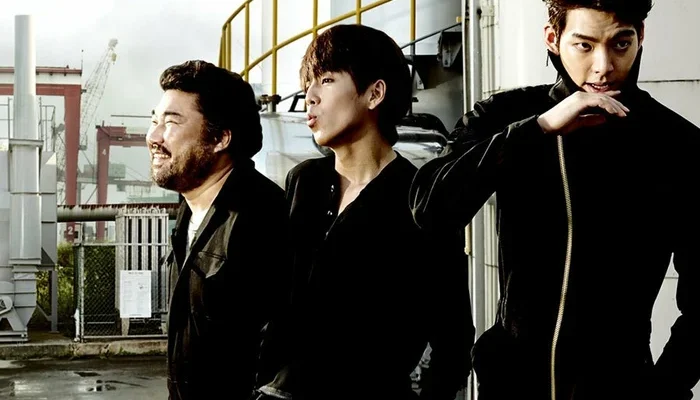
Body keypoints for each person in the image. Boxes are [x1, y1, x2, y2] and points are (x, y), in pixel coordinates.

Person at [409, 1, 700, 399]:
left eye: (620, 44)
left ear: (640, 37)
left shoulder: (675, 143)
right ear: (553, 38)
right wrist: (539, 128)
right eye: (584, 45)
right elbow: (429, 207)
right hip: (511, 388)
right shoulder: (506, 116)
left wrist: (665, 389)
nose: (603, 66)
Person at [252, 24, 474, 400]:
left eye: (326, 80)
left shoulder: (419, 197)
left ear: (375, 93)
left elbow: (453, 339)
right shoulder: (305, 181)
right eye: (308, 84)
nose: (309, 97)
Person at [147, 60, 291, 400]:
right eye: (154, 121)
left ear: (220, 138)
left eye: (171, 122)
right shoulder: (189, 211)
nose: (153, 137)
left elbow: (286, 358)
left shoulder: (263, 217)